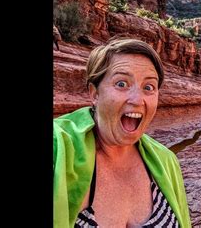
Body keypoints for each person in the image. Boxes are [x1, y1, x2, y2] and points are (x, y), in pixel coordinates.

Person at [53, 38, 191, 228]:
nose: (137, 99)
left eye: (149, 87)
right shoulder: (58, 147)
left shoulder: (167, 161)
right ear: (94, 94)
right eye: (121, 84)